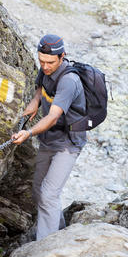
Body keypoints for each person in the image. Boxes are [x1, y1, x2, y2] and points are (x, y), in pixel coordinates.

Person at [11, 34, 87, 241]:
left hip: (68, 144)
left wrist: (29, 133)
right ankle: (59, 234)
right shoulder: (46, 67)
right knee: (37, 192)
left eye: (50, 62)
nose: (45, 66)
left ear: (62, 57)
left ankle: (44, 247)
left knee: (48, 194)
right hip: (49, 140)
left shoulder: (69, 81)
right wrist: (35, 101)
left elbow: (53, 117)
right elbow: (40, 87)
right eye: (41, 61)